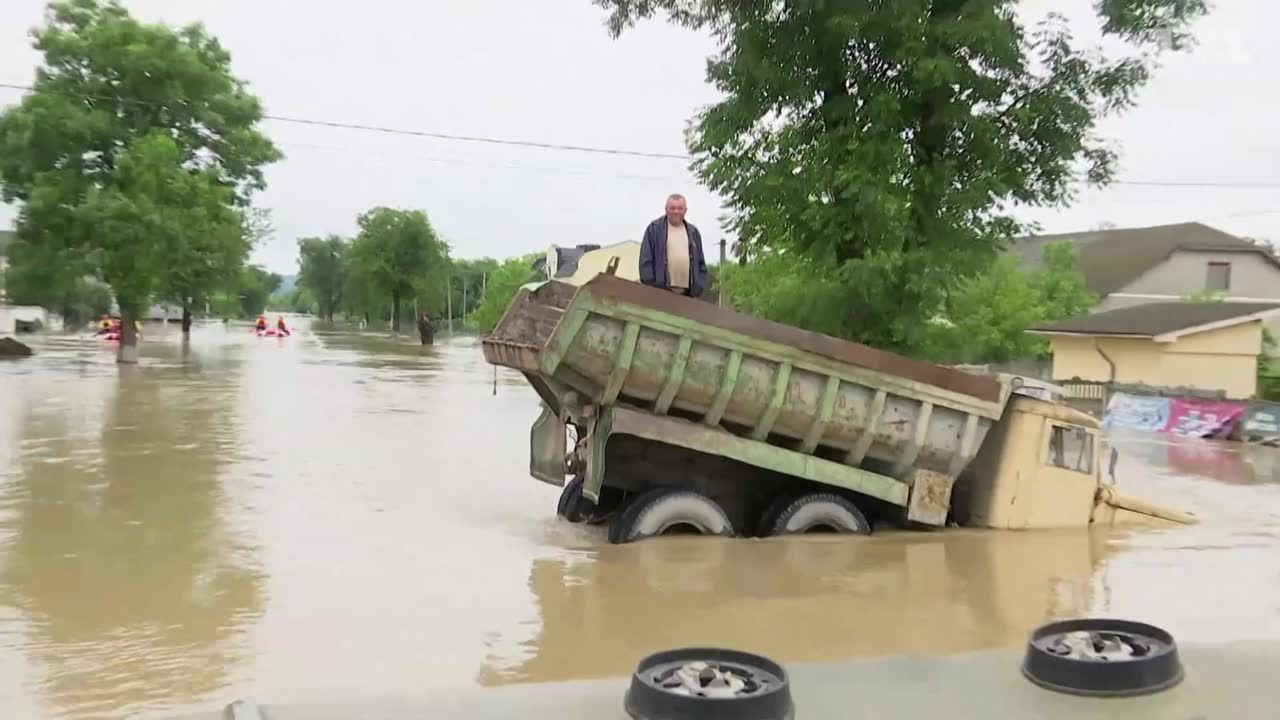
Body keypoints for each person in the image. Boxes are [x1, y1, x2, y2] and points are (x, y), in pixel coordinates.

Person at [638, 193, 708, 298]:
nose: (676, 211)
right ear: (666, 209)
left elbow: (701, 264)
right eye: (673, 208)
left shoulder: (693, 232)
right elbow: (645, 261)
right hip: (660, 293)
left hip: (688, 295)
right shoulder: (654, 229)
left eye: (680, 208)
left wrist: (699, 287)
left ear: (685, 210)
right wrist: (652, 287)